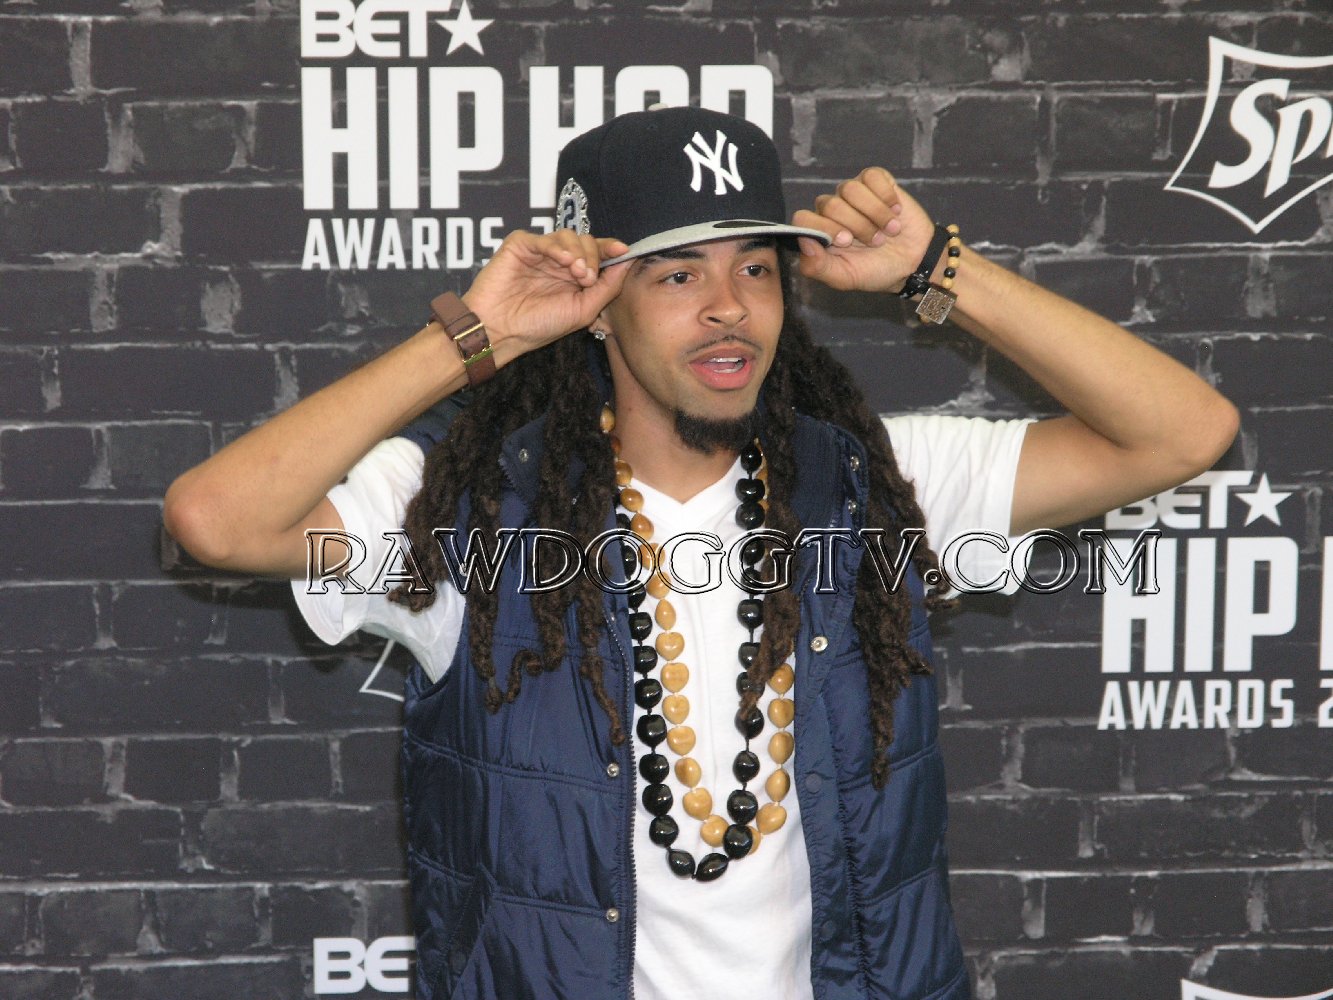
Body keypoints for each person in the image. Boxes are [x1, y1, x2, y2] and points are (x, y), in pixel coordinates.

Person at [163, 107, 1238, 1000]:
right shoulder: (469, 509)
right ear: (595, 307)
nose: (729, 308)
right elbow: (216, 519)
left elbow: (1183, 433)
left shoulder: (877, 482)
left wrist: (936, 270)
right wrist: (477, 335)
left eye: (756, 270)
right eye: (677, 276)